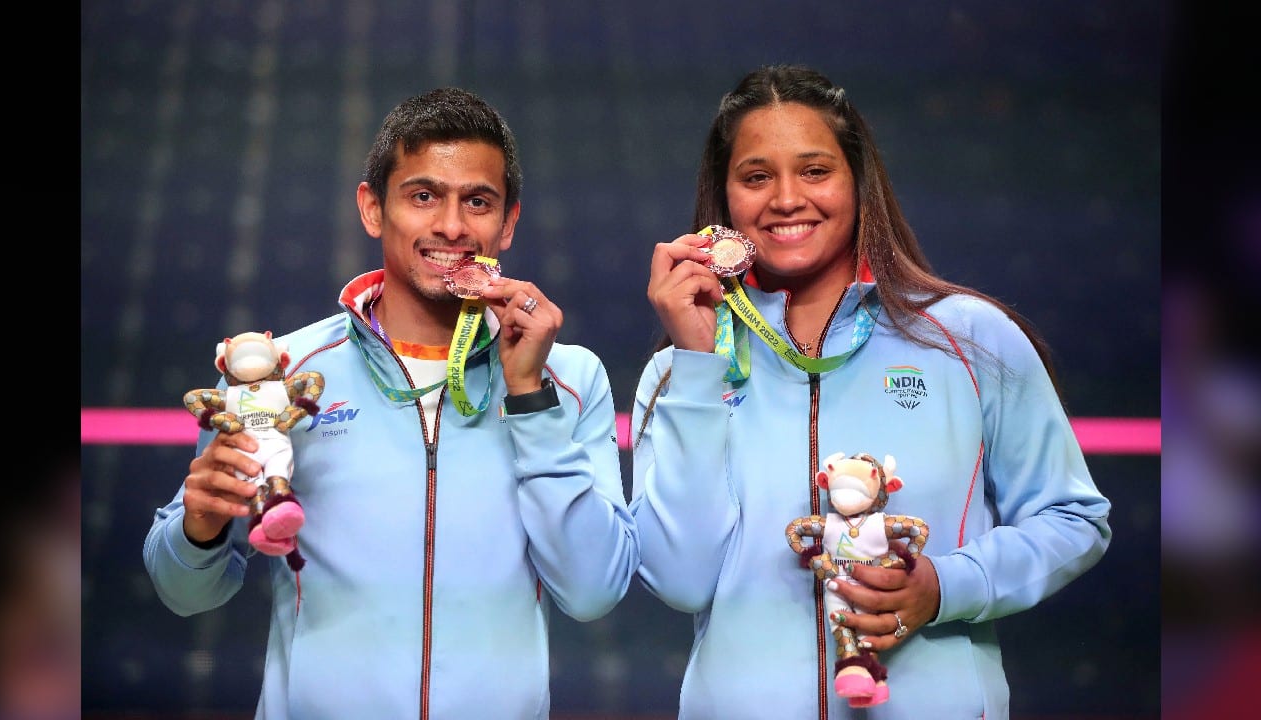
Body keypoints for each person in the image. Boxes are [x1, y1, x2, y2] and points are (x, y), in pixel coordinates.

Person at [629, 64, 1112, 719]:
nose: (786, 199)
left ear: (860, 183)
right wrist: (693, 362)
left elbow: (1073, 520)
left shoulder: (969, 339)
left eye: (815, 170)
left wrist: (944, 585)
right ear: (725, 200)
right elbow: (681, 580)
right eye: (756, 176)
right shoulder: (682, 370)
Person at [144, 87, 639, 720]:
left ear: (509, 222)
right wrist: (199, 525)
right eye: (424, 196)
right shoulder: (282, 373)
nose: (452, 226)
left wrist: (528, 395)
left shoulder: (567, 378)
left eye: (478, 202)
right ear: (373, 208)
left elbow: (593, 591)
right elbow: (184, 593)